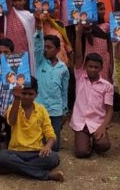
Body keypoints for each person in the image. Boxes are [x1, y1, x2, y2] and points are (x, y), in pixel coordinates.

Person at [0, 79, 63, 182]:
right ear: (19, 93)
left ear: (36, 94)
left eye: (30, 94)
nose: (27, 97)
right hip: (16, 151)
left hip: (36, 152)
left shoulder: (41, 110)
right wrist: (17, 99)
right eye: (24, 93)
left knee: (54, 158)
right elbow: (11, 122)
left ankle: (15, 168)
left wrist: (48, 146)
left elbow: (50, 134)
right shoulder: (13, 107)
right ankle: (46, 175)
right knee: (2, 156)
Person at [71, 24, 113, 158]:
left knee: (104, 145)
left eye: (96, 67)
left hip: (97, 123)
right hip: (81, 122)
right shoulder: (80, 77)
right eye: (90, 66)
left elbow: (109, 110)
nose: (93, 69)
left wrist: (102, 127)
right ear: (85, 66)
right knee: (82, 153)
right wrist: (78, 35)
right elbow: (78, 56)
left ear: (101, 68)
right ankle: (83, 140)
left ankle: (96, 139)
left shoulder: (107, 86)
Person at [34, 14, 69, 151]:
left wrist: (64, 110)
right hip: (39, 108)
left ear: (58, 50)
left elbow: (64, 91)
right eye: (45, 47)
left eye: (49, 47)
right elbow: (37, 45)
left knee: (54, 147)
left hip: (55, 110)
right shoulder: (39, 62)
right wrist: (38, 27)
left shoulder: (63, 68)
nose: (45, 49)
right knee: (37, 144)